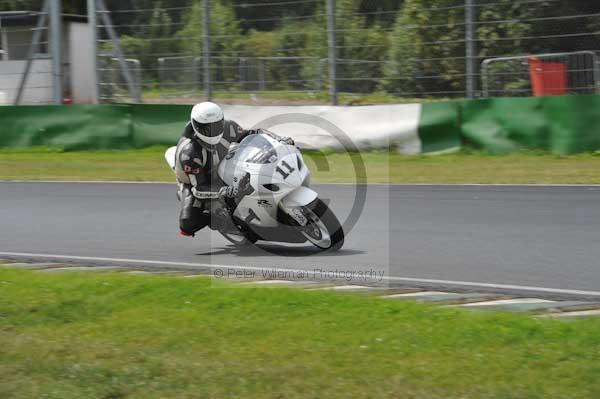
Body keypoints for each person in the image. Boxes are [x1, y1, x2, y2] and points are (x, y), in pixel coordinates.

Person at [174, 101, 293, 237]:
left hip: (224, 163)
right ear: (196, 126)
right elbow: (199, 188)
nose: (212, 131)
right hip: (197, 180)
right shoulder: (189, 153)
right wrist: (223, 191)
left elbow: (254, 134)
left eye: (216, 125)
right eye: (207, 128)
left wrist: (278, 139)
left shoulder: (228, 127)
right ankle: (219, 221)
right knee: (187, 225)